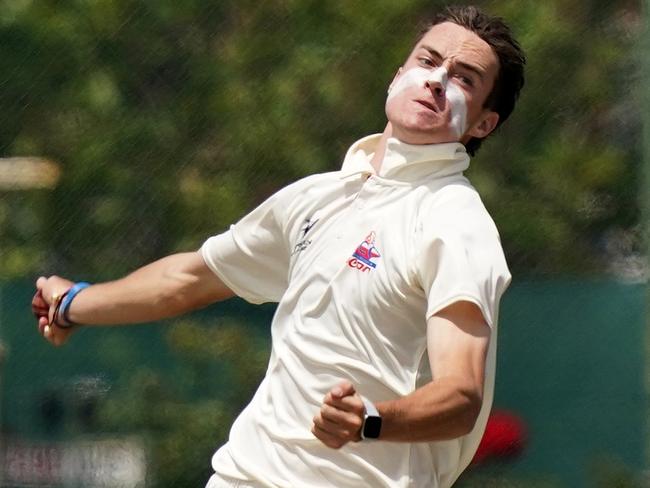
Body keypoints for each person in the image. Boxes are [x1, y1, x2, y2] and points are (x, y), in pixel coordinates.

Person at [32, 5, 525, 487]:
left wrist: (371, 420)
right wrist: (73, 303)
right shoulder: (319, 196)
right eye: (427, 60)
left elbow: (461, 395)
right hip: (243, 475)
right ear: (396, 76)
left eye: (464, 78)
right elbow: (190, 279)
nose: (437, 79)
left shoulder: (455, 221)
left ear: (483, 123)